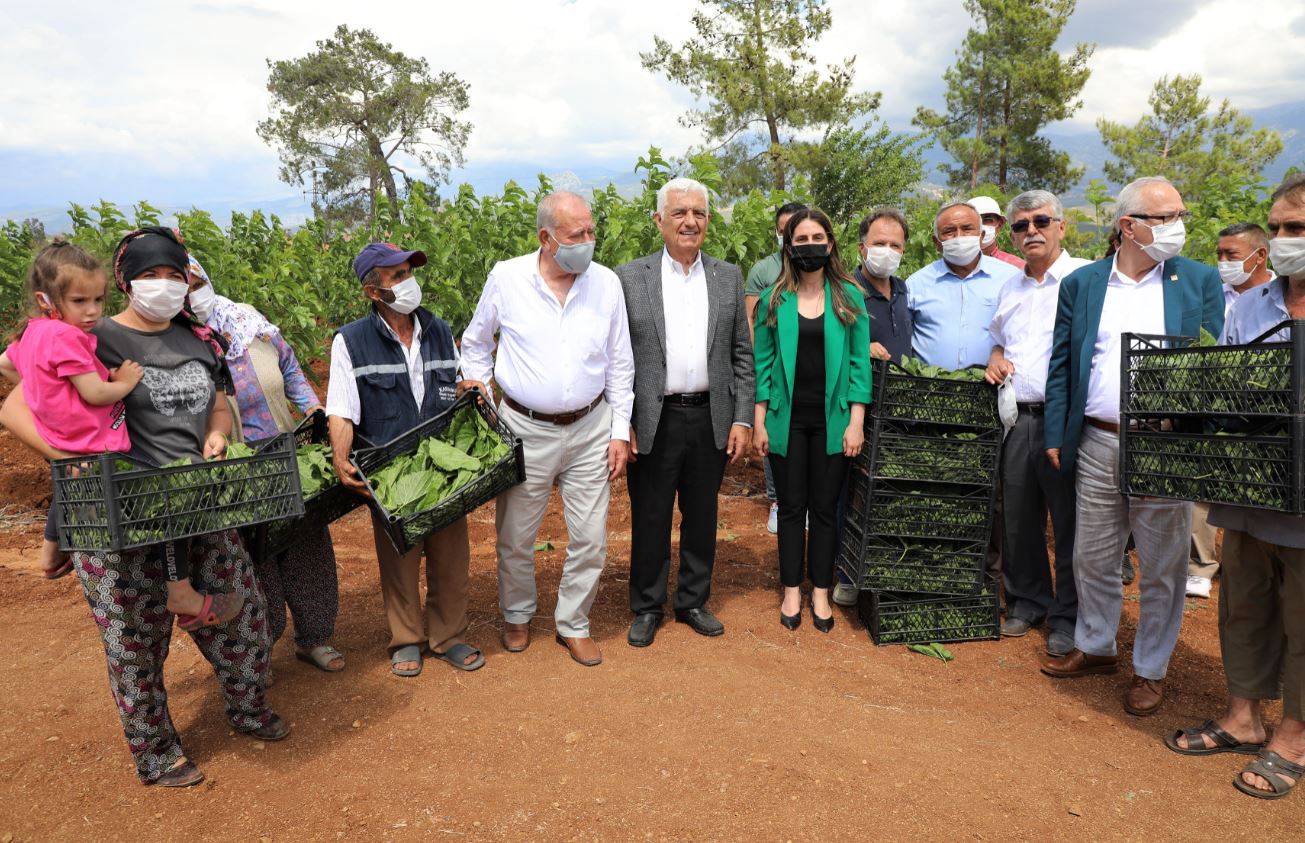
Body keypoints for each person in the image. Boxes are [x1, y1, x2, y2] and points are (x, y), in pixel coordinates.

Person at [1, 226, 285, 787]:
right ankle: (156, 751)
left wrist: (217, 436)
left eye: (173, 275)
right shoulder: (91, 334)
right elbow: (14, 402)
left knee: (240, 610)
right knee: (135, 638)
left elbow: (220, 407)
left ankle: (247, 705)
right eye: (149, 275)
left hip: (195, 504)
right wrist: (66, 459)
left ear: (187, 280)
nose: (162, 285)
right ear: (126, 281)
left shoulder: (201, 341)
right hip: (117, 511)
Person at [1041, 176, 1224, 717]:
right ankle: (1096, 645)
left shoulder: (1198, 281)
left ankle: (1151, 668)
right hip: (1098, 438)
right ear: (1129, 226)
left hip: (1165, 445)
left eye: (1179, 214)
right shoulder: (1084, 284)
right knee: (1091, 556)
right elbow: (1062, 365)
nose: (1179, 227)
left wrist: (1195, 433)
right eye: (1166, 217)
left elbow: (1217, 362)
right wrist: (1057, 432)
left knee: (1163, 565)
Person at [1168, 173, 1305, 800]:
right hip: (1248, 490)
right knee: (1244, 602)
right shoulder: (1250, 305)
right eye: (1276, 228)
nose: (1281, 240)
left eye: (1295, 230)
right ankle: (1243, 716)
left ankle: (1294, 737)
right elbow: (1224, 384)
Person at [461, 191, 635, 667]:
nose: (588, 241)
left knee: (592, 536)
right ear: (546, 237)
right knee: (516, 533)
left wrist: (619, 430)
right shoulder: (507, 278)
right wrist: (483, 396)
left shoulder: (606, 284)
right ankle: (517, 615)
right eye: (576, 234)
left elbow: (621, 362)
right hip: (523, 427)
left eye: (591, 231)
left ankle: (573, 622)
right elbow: (475, 343)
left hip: (591, 427)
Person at [326, 242, 480, 678]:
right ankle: (407, 638)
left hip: (442, 462)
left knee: (451, 556)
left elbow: (453, 384)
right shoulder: (351, 341)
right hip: (391, 467)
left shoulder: (437, 329)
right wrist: (341, 455)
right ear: (373, 291)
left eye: (409, 272)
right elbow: (341, 407)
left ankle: (448, 635)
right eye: (396, 277)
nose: (408, 282)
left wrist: (468, 389)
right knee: (400, 557)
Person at [614, 178, 755, 647]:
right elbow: (618, 356)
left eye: (698, 213)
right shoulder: (630, 277)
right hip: (655, 417)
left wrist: (742, 418)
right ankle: (647, 605)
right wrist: (623, 420)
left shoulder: (728, 276)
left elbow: (741, 353)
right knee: (650, 515)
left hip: (710, 415)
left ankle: (693, 600)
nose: (690, 221)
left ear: (708, 221)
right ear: (659, 221)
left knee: (702, 513)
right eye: (679, 213)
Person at [187, 257, 345, 673]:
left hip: (285, 449)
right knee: (255, 557)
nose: (191, 292)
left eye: (195, 281)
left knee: (305, 542)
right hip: (231, 468)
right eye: (180, 286)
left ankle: (314, 638)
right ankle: (263, 648)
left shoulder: (247, 322)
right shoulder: (180, 344)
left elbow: (290, 368)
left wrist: (313, 410)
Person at [753, 208, 872, 633]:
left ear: (831, 243)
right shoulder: (774, 300)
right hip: (786, 420)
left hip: (834, 421)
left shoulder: (849, 297)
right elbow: (763, 366)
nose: (809, 247)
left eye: (816, 238)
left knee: (824, 509)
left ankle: (820, 591)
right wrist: (760, 421)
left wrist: (856, 421)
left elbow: (860, 364)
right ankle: (790, 590)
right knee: (790, 508)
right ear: (789, 246)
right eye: (800, 240)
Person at [984, 191, 1089, 658]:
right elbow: (1000, 342)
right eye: (1020, 226)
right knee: (1020, 518)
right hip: (1019, 416)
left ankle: (1067, 615)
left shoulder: (1086, 279)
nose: (1031, 231)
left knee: (1069, 522)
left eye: (1040, 221)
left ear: (1061, 226)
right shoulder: (1011, 287)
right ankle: (1027, 601)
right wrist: (996, 357)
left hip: (1066, 419)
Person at [0, 240, 139, 579]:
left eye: (98, 299)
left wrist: (43, 388)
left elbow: (5, 363)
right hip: (87, 434)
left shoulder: (34, 331)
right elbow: (94, 393)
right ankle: (83, 558)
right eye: (79, 301)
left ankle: (50, 553)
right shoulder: (66, 336)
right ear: (44, 299)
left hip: (60, 433)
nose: (91, 311)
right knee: (92, 497)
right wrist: (124, 382)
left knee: (69, 484)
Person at [1185, 222, 1276, 600]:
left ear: (1259, 256)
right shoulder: (1215, 295)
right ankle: (1200, 566)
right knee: (1206, 482)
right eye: (1219, 254)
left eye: (1231, 255)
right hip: (1223, 405)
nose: (1223, 262)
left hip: (1269, 412)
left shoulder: (1278, 294)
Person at [746, 201, 807, 535]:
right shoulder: (763, 271)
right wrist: (760, 366)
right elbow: (752, 321)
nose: (787, 234)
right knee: (772, 432)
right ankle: (776, 499)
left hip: (810, 372)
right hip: (774, 367)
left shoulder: (816, 267)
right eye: (783, 229)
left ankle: (802, 501)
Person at [906, 201, 1023, 369]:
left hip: (993, 387)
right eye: (949, 231)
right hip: (930, 389)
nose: (959, 237)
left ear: (981, 236)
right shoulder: (916, 284)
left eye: (967, 229)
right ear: (936, 242)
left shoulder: (1010, 278)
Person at [856, 207, 913, 364]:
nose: (887, 251)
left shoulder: (905, 290)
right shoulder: (846, 292)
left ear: (903, 252)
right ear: (862, 248)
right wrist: (861, 347)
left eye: (895, 246)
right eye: (879, 244)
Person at [968, 195, 1026, 270]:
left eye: (987, 220)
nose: (980, 226)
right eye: (972, 221)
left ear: (999, 225)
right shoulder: (954, 265)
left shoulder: (1016, 267)